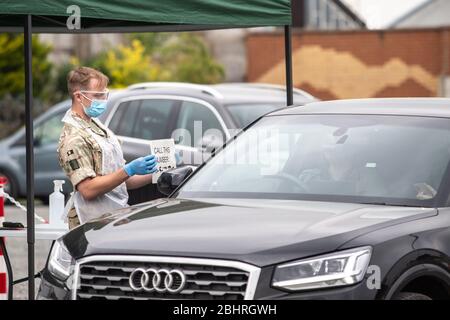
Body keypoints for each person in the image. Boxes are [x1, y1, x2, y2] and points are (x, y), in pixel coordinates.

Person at [58, 67, 158, 229]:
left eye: (104, 94)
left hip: (113, 218)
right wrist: (128, 170)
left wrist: (158, 170)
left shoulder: (96, 126)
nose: (103, 100)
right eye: (97, 95)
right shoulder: (73, 137)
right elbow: (88, 190)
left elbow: (122, 181)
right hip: (90, 224)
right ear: (78, 96)